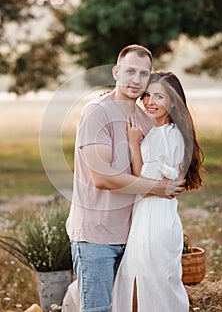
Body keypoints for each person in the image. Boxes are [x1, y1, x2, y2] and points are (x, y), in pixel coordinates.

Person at [66, 45, 186, 312]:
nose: (136, 80)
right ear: (116, 72)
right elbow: (102, 178)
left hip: (133, 235)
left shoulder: (145, 119)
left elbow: (155, 162)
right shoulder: (97, 112)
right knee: (98, 310)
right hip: (96, 236)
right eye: (130, 71)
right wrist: (158, 188)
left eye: (143, 74)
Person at [111, 71, 204, 312]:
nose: (150, 102)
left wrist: (133, 143)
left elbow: (147, 184)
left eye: (159, 97)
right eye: (147, 95)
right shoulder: (171, 133)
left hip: (153, 221)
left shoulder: (164, 135)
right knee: (151, 285)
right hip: (157, 218)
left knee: (146, 285)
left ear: (173, 102)